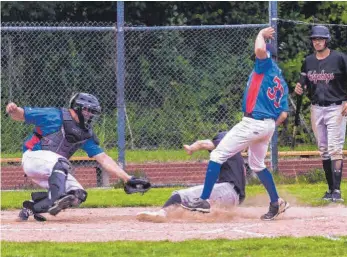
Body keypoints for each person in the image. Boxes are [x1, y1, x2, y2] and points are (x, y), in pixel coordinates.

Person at [181, 27, 290, 221]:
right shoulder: (280, 79)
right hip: (268, 125)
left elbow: (258, 51)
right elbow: (283, 114)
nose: (256, 58)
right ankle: (276, 202)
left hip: (253, 122)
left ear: (268, 55)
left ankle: (204, 200)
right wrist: (266, 126)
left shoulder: (264, 66)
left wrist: (260, 34)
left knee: (217, 154)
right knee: (257, 164)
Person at [6, 93, 150, 222]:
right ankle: (56, 196)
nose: (91, 115)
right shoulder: (55, 115)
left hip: (54, 169)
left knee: (78, 195)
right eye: (89, 111)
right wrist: (14, 109)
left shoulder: (85, 133)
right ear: (79, 108)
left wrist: (127, 178)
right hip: (33, 158)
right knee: (62, 163)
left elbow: (103, 158)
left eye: (93, 112)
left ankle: (33, 206)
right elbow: (22, 114)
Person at [136, 131, 246, 222]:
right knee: (198, 203)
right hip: (234, 200)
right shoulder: (237, 156)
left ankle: (162, 213)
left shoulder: (225, 145)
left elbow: (203, 144)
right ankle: (183, 213)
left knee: (180, 194)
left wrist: (191, 148)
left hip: (227, 190)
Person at [294, 25, 347, 202]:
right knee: (323, 149)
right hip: (316, 108)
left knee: (335, 148)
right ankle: (330, 189)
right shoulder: (308, 61)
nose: (317, 42)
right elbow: (306, 83)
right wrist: (300, 88)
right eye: (314, 39)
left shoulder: (339, 58)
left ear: (326, 40)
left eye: (320, 39)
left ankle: (337, 191)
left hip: (336, 107)